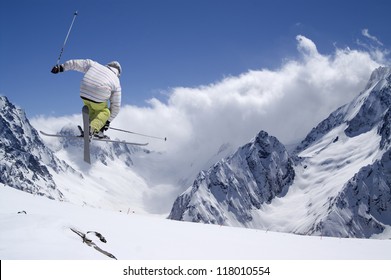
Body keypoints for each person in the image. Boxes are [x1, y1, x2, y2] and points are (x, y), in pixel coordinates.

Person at [51, 59, 122, 138]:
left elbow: (76, 63)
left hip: (84, 91)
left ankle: (91, 129)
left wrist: (61, 68)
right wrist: (107, 121)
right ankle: (92, 129)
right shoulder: (116, 81)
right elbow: (115, 106)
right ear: (118, 73)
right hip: (99, 94)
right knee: (105, 112)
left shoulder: (95, 65)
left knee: (92, 109)